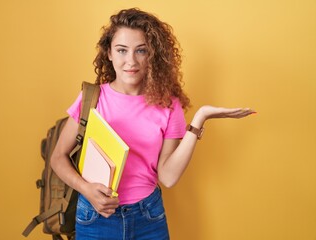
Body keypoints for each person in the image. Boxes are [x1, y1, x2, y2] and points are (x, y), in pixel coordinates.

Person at [50, 8, 255, 240]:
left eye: (141, 51)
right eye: (121, 50)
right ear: (108, 53)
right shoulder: (92, 98)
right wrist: (86, 189)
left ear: (152, 55)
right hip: (96, 216)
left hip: (148, 217)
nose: (131, 61)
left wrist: (200, 119)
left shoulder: (168, 105)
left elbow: (168, 177)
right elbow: (58, 157)